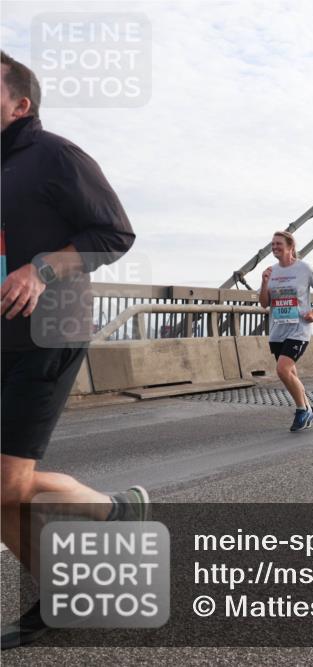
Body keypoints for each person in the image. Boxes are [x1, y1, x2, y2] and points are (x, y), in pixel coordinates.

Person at [1, 51, 148, 650]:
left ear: (20, 104)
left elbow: (114, 233)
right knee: (4, 487)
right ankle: (110, 515)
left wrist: (40, 269)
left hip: (49, 332)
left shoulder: (55, 156)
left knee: (6, 485)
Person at [259, 231, 313, 431]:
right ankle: (308, 409)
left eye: (278, 244)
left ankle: (301, 410)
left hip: (299, 328)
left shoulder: (304, 269)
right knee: (290, 373)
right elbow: (264, 303)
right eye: (272, 244)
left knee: (282, 370)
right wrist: (264, 282)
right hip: (277, 330)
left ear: (290, 247)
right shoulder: (271, 271)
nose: (274, 247)